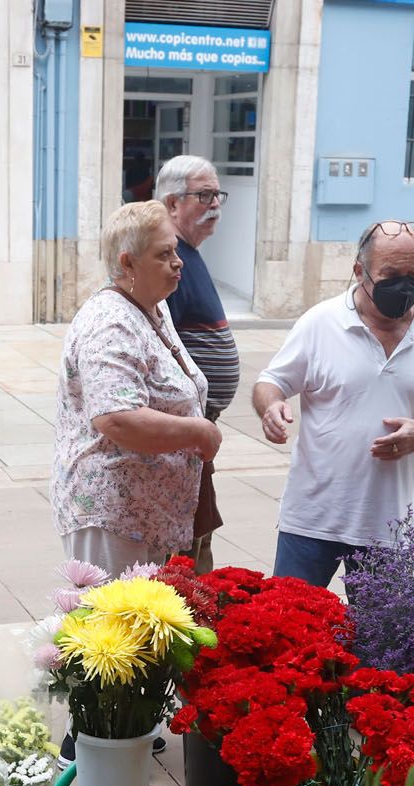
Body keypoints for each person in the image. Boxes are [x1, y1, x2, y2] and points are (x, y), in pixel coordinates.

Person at [251, 219, 414, 587]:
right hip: (312, 520)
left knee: (379, 642)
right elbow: (271, 382)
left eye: (412, 274)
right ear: (359, 271)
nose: (403, 284)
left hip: (386, 526)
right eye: (390, 273)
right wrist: (270, 406)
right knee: (290, 629)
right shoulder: (321, 323)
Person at [50, 199, 217, 576]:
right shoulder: (110, 322)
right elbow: (117, 419)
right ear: (128, 264)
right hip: (115, 516)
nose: (178, 262)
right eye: (163, 254)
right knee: (112, 629)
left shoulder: (153, 306)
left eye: (175, 250)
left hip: (148, 511)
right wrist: (198, 430)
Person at [157, 155, 237, 573]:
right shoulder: (171, 263)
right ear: (172, 204)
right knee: (185, 543)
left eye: (217, 195)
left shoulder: (188, 253)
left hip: (197, 427)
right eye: (204, 196)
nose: (216, 206)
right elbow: (160, 342)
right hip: (181, 431)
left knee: (198, 531)